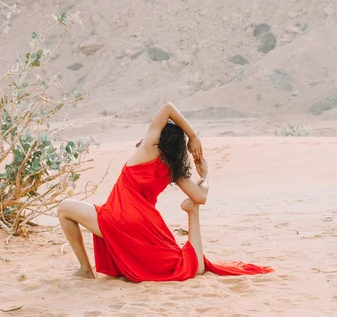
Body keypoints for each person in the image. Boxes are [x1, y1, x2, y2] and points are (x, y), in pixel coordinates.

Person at [57, 102, 273, 282]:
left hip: (117, 217)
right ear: (180, 149)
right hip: (145, 226)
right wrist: (205, 176)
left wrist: (194, 135)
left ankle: (85, 269)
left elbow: (167, 108)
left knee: (64, 208)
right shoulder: (174, 170)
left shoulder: (148, 147)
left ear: (159, 136)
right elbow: (200, 197)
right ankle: (88, 269)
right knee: (178, 262)